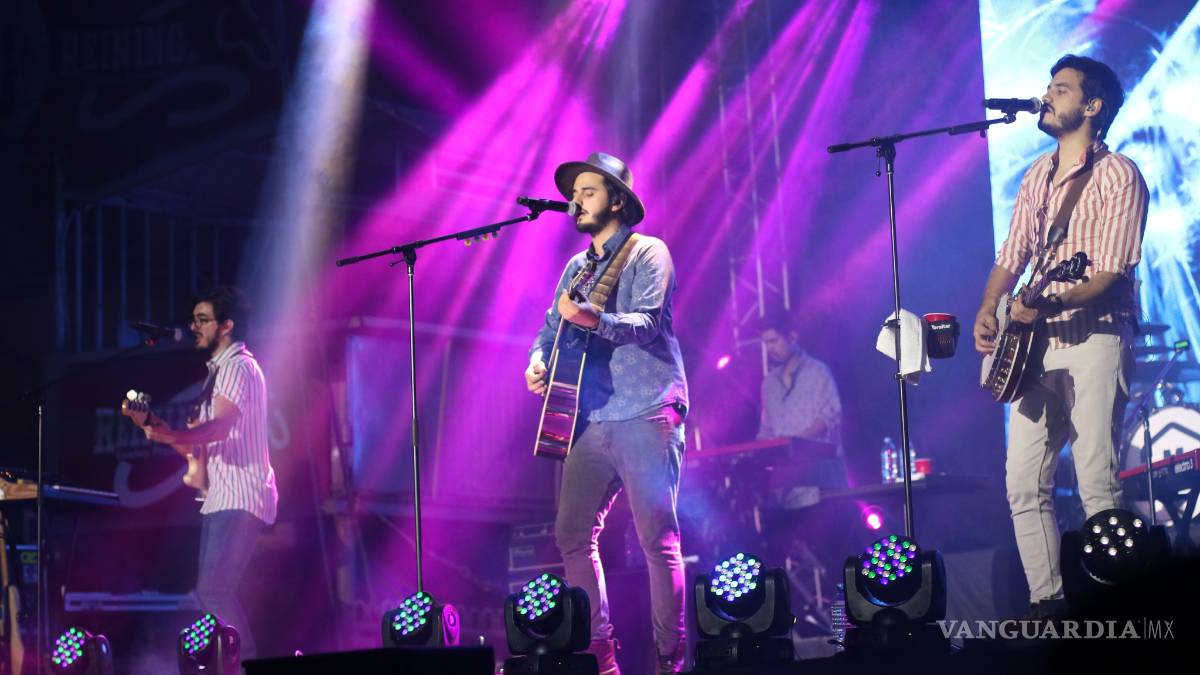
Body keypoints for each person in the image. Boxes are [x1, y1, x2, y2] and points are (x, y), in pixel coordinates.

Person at [972, 55, 1148, 619]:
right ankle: (1048, 608)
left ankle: (1117, 609)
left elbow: (1109, 272)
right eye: (1048, 86)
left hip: (1096, 336)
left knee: (1096, 476)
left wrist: (1051, 300)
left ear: (1092, 106)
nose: (1047, 96)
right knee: (1023, 484)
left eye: (1062, 88)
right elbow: (1012, 255)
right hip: (1032, 345)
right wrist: (989, 307)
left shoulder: (1118, 174)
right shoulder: (1036, 175)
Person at [525, 152, 689, 675]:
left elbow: (646, 323)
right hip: (591, 417)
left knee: (656, 538)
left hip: (646, 406)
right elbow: (550, 329)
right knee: (572, 534)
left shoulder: (648, 252)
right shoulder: (576, 268)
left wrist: (591, 317)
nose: (576, 202)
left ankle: (669, 659)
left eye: (588, 192)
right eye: (574, 194)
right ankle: (600, 657)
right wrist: (536, 361)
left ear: (617, 201)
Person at [141, 286, 278, 659]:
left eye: (203, 320)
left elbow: (219, 428)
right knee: (208, 592)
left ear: (226, 326)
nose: (193, 327)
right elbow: (197, 449)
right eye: (194, 320)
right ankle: (233, 662)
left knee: (214, 590)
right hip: (221, 496)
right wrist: (152, 424)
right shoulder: (217, 374)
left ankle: (247, 664)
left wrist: (172, 433)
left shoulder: (237, 366)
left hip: (239, 493)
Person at [756, 312, 846, 490]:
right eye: (766, 343)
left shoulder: (818, 372)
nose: (769, 349)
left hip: (821, 482)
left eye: (774, 341)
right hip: (785, 487)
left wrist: (795, 444)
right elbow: (766, 430)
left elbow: (829, 417)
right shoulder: (768, 384)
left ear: (792, 337)